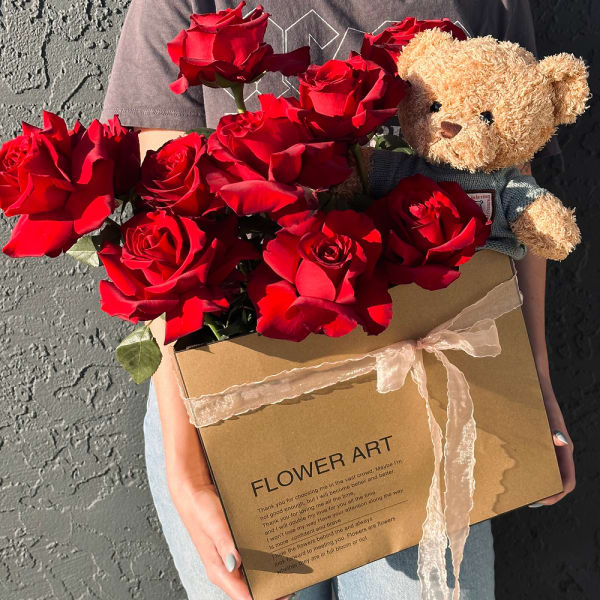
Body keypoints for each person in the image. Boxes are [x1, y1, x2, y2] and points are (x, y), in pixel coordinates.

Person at [101, 2, 575, 599]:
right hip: (237, 396)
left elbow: (513, 180)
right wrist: (186, 458)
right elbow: (164, 229)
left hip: (428, 382)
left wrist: (535, 379)